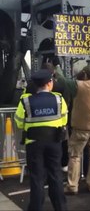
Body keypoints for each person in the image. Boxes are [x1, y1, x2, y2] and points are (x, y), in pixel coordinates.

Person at [15, 69, 68, 210]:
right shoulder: (59, 99)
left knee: (37, 179)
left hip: (33, 144)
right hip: (54, 143)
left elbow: (19, 122)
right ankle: (60, 207)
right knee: (55, 176)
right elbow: (64, 120)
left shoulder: (25, 101)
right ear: (49, 83)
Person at [55, 59, 90, 195]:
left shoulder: (77, 86)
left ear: (85, 74)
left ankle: (72, 186)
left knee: (74, 156)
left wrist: (57, 65)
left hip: (80, 127)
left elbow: (61, 80)